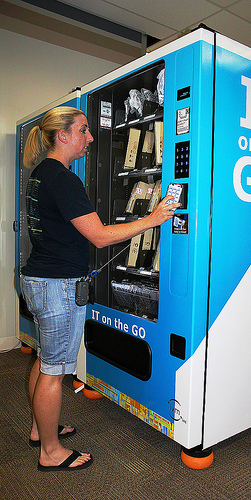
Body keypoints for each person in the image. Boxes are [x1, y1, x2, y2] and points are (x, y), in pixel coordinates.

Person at [20, 106, 180, 471]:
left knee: (46, 358)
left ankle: (38, 430)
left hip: (40, 280)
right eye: (84, 130)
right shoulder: (63, 179)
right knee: (54, 371)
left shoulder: (40, 174)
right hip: (57, 287)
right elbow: (100, 236)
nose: (90, 138)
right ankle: (50, 452)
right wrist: (153, 219)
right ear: (63, 136)